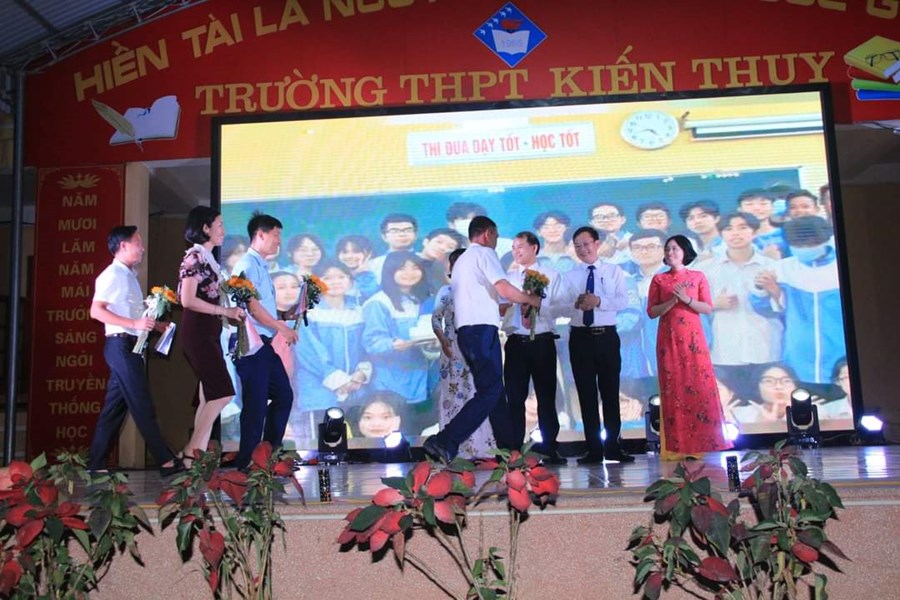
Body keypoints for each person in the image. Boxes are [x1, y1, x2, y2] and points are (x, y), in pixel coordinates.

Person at [423, 216, 540, 462]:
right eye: (495, 236)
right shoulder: (485, 253)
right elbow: (504, 288)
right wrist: (530, 299)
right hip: (481, 331)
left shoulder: (463, 261)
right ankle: (444, 440)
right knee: (490, 391)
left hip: (468, 332)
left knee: (495, 393)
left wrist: (506, 306)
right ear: (487, 234)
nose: (496, 242)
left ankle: (508, 450)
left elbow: (484, 299)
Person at [87, 226, 181, 476]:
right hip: (120, 345)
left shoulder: (129, 275)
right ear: (123, 246)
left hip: (129, 345)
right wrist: (135, 324)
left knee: (114, 410)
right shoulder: (112, 275)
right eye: (137, 243)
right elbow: (96, 311)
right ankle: (165, 460)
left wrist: (157, 326)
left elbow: (133, 315)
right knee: (141, 402)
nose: (142, 248)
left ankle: (95, 464)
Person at [647, 234, 732, 460]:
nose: (670, 253)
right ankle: (675, 447)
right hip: (669, 339)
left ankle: (698, 446)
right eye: (667, 249)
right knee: (673, 388)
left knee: (697, 387)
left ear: (685, 251)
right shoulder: (659, 279)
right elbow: (652, 312)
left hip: (694, 340)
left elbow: (707, 308)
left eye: (675, 248)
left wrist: (686, 300)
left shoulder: (697, 276)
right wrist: (672, 302)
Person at [560, 226, 635, 464]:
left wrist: (598, 301)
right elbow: (560, 307)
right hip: (580, 337)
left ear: (597, 244)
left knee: (610, 392)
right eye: (577, 246)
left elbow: (623, 301)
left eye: (586, 244)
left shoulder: (613, 271)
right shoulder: (569, 276)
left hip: (606, 337)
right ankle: (593, 449)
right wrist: (574, 304)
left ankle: (614, 447)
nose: (582, 249)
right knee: (586, 393)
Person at [177, 207, 246, 463]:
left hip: (209, 331)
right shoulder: (195, 256)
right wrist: (223, 310)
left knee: (208, 395)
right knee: (223, 393)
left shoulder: (208, 258)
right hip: (198, 332)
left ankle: (197, 457)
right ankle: (190, 452)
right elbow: (187, 300)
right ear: (205, 228)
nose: (223, 230)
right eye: (219, 224)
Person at [230, 212, 298, 470]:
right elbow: (253, 308)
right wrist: (282, 328)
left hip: (263, 345)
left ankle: (267, 455)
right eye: (276, 235)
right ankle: (247, 462)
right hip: (250, 344)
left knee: (283, 396)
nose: (279, 241)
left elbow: (263, 308)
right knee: (255, 405)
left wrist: (284, 315)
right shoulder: (246, 264)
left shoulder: (260, 265)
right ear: (260, 235)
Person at [752, 216, 845, 383]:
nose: (803, 249)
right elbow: (764, 308)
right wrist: (765, 289)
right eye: (797, 245)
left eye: (809, 244)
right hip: (798, 357)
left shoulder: (843, 267)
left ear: (826, 240)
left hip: (842, 354)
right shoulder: (783, 268)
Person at [501, 232, 567, 464]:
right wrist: (511, 304)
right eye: (513, 247)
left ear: (534, 248)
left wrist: (537, 303)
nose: (516, 251)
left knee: (546, 396)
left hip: (542, 340)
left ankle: (549, 447)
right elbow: (499, 307)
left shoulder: (551, 275)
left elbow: (561, 306)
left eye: (520, 246)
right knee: (514, 397)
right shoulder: (507, 278)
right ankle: (514, 449)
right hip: (516, 342)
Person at [698, 212, 783, 386]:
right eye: (729, 229)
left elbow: (787, 307)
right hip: (724, 351)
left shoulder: (772, 266)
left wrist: (773, 290)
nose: (735, 233)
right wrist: (713, 304)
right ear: (721, 234)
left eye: (743, 228)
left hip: (766, 347)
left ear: (754, 232)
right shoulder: (705, 269)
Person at [294, 259, 371, 441]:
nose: (335, 282)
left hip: (355, 389)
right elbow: (309, 353)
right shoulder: (307, 312)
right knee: (324, 444)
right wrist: (340, 381)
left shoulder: (359, 309)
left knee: (358, 444)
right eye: (327, 278)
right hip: (319, 390)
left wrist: (361, 373)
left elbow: (366, 347)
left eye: (341, 277)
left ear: (350, 280)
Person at [431, 248, 496, 458]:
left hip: (476, 348)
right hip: (452, 350)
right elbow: (436, 319)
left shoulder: (481, 290)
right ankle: (453, 448)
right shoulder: (446, 291)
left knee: (477, 393)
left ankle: (480, 447)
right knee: (453, 395)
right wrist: (443, 341)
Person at [362, 251, 432, 430]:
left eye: (415, 267)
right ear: (390, 270)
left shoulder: (424, 299)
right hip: (390, 381)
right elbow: (372, 343)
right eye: (402, 268)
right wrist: (393, 344)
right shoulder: (379, 302)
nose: (410, 273)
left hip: (421, 381)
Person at [369, 213, 418, 284]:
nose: (402, 234)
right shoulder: (374, 264)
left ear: (415, 235)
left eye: (408, 230)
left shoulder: (423, 259)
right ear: (384, 237)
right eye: (395, 231)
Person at [737, 189, 786, 260]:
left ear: (773, 208)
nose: (757, 208)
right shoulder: (735, 237)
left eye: (763, 204)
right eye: (749, 204)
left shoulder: (787, 233)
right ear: (740, 210)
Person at [336, 234, 378, 302]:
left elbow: (372, 298)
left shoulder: (377, 271)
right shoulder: (332, 275)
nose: (349, 256)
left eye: (356, 252)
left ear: (369, 254)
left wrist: (364, 275)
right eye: (345, 252)